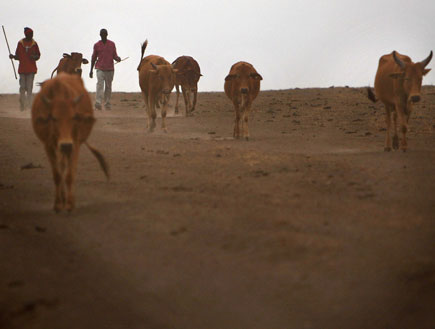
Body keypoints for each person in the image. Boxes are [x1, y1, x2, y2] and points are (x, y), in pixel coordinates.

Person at [9, 27, 41, 111]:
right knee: (22, 87)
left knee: (29, 88)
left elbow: (38, 55)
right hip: (22, 69)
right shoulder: (20, 43)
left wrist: (34, 57)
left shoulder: (34, 44)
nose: (32, 36)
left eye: (32, 34)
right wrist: (12, 56)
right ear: (26, 34)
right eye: (30, 34)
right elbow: (18, 56)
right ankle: (22, 105)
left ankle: (30, 106)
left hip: (31, 69)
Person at [89, 28, 121, 110]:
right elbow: (93, 58)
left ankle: (107, 103)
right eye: (102, 34)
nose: (103, 36)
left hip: (110, 69)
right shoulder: (96, 45)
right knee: (100, 85)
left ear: (107, 35)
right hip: (100, 68)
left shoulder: (112, 44)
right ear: (100, 35)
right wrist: (91, 70)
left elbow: (114, 55)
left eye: (105, 34)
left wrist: (118, 58)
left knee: (108, 86)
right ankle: (98, 103)